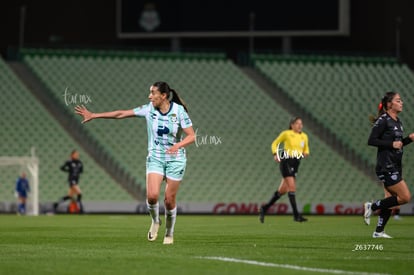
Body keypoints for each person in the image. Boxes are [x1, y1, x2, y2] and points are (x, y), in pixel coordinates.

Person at [75, 81, 195, 245]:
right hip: (156, 158)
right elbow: (121, 114)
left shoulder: (179, 111)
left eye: (153, 93)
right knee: (152, 197)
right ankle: (155, 221)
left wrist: (178, 145)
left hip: (176, 159)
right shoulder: (149, 109)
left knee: (169, 199)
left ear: (164, 96)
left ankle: (169, 232)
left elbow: (191, 136)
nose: (149, 96)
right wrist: (94, 115)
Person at [365, 92, 414, 238]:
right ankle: (372, 206)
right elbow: (372, 140)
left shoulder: (397, 121)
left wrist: (409, 140)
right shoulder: (384, 120)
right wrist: (391, 143)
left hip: (395, 165)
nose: (401, 103)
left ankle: (378, 232)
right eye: (398, 100)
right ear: (389, 104)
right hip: (386, 166)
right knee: (405, 197)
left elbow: (398, 145)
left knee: (390, 202)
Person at [259, 117, 309, 223]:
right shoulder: (286, 134)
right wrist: (275, 154)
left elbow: (306, 150)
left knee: (282, 191)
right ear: (292, 125)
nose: (300, 125)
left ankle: (264, 208)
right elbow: (275, 143)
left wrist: (305, 153)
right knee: (292, 187)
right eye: (297, 123)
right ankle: (296, 215)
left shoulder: (304, 136)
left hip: (296, 163)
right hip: (286, 161)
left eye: (301, 123)